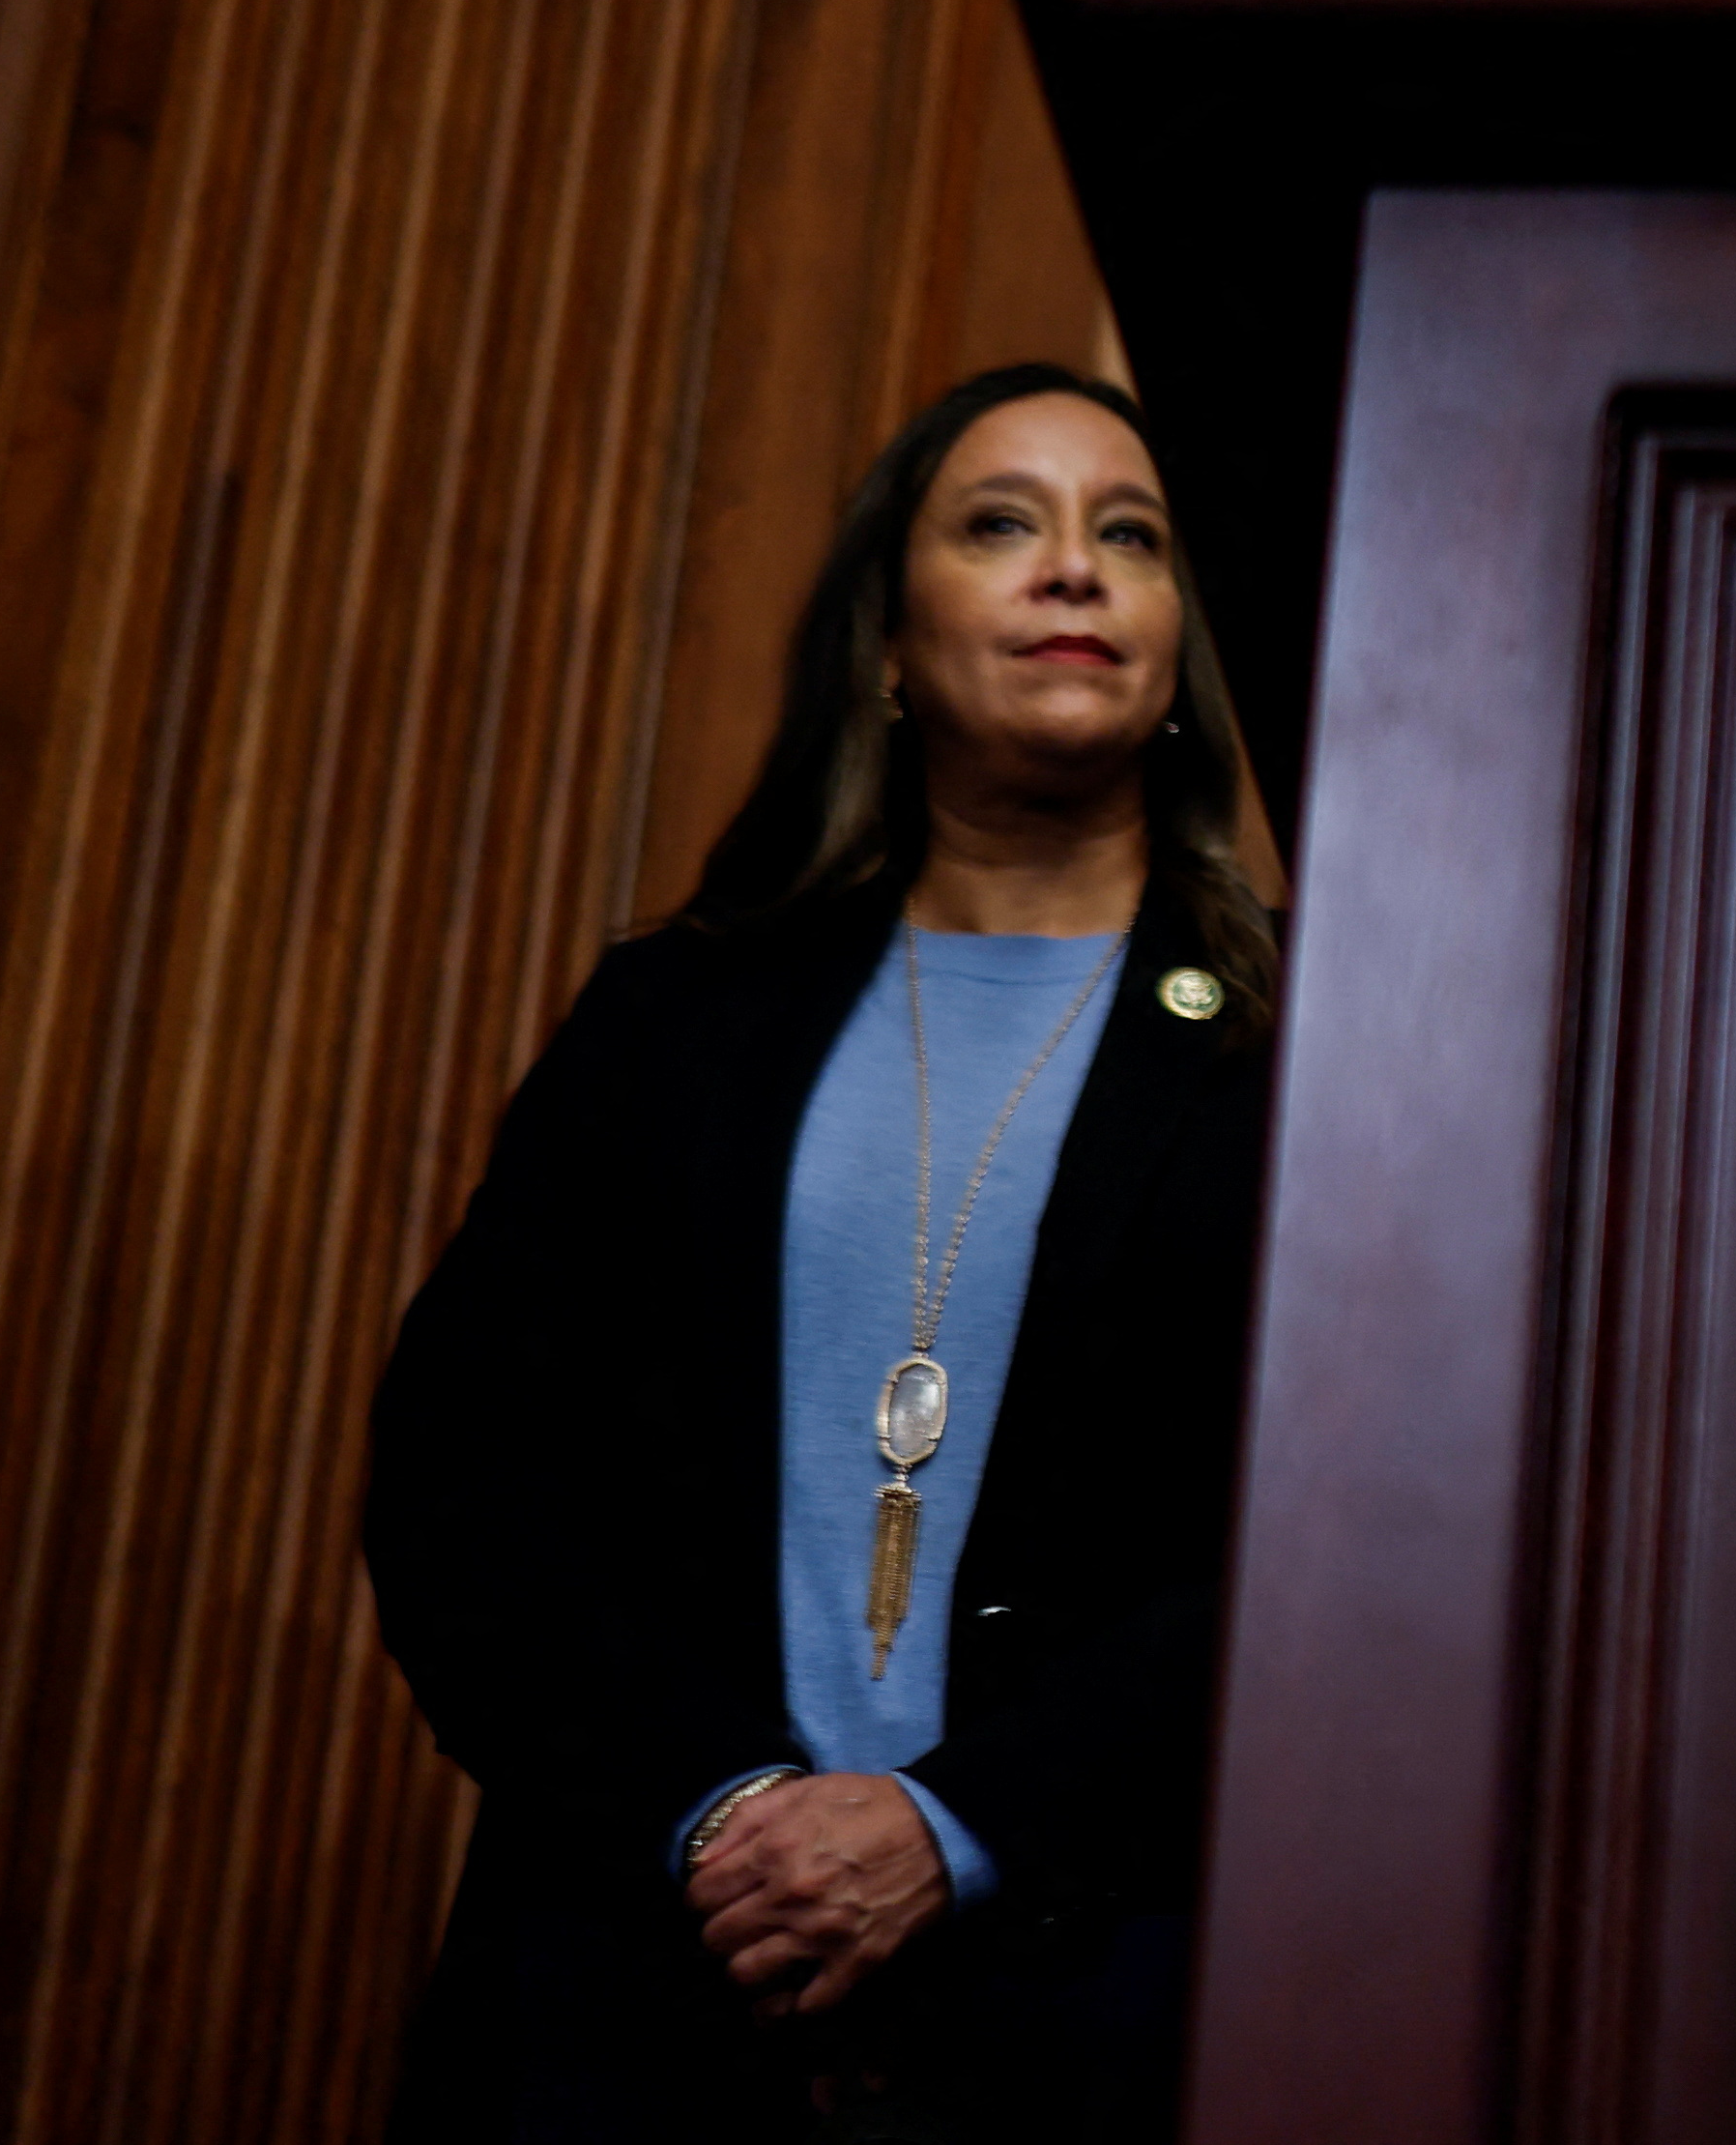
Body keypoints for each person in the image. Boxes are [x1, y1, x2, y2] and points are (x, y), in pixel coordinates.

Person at [367, 367, 1278, 2140]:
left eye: (1133, 538)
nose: (1073, 572)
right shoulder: (677, 1020)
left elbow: (1338, 1552)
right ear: (884, 639)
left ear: (1181, 649)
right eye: (1003, 523)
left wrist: (958, 1823)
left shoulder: (1301, 1055)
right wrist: (718, 1810)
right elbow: (466, 1490)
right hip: (636, 1995)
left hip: (1093, 2010)